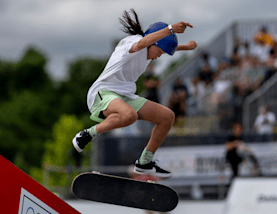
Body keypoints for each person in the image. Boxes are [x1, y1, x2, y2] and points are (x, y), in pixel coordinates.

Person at [72, 9, 197, 178]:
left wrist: (185, 47)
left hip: (124, 96)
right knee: (129, 115)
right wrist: (170, 29)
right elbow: (142, 44)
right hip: (102, 93)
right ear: (155, 42)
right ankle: (87, 134)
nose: (158, 57)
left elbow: (157, 45)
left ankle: (145, 162)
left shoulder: (149, 50)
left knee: (167, 117)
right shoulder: (134, 42)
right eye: (159, 52)